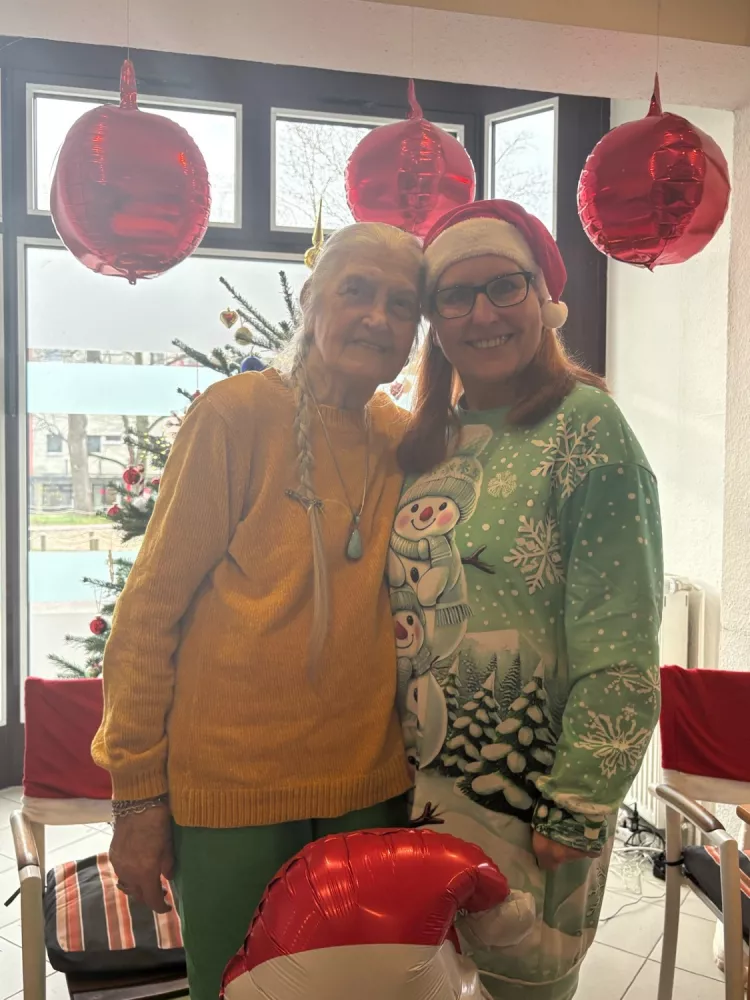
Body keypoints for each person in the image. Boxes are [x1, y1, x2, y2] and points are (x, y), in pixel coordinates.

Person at [92, 221, 424, 1000]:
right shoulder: (234, 416)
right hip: (231, 798)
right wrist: (138, 797)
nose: (378, 317)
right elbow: (149, 614)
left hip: (369, 790)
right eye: (356, 291)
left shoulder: (404, 439)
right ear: (311, 301)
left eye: (402, 304)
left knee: (359, 993)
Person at [388, 200, 663, 1000]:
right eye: (455, 295)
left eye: (504, 286)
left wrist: (579, 804)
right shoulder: (426, 443)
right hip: (407, 791)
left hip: (534, 798)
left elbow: (621, 640)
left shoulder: (588, 430)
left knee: (521, 983)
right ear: (434, 320)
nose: (483, 314)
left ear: (544, 300)